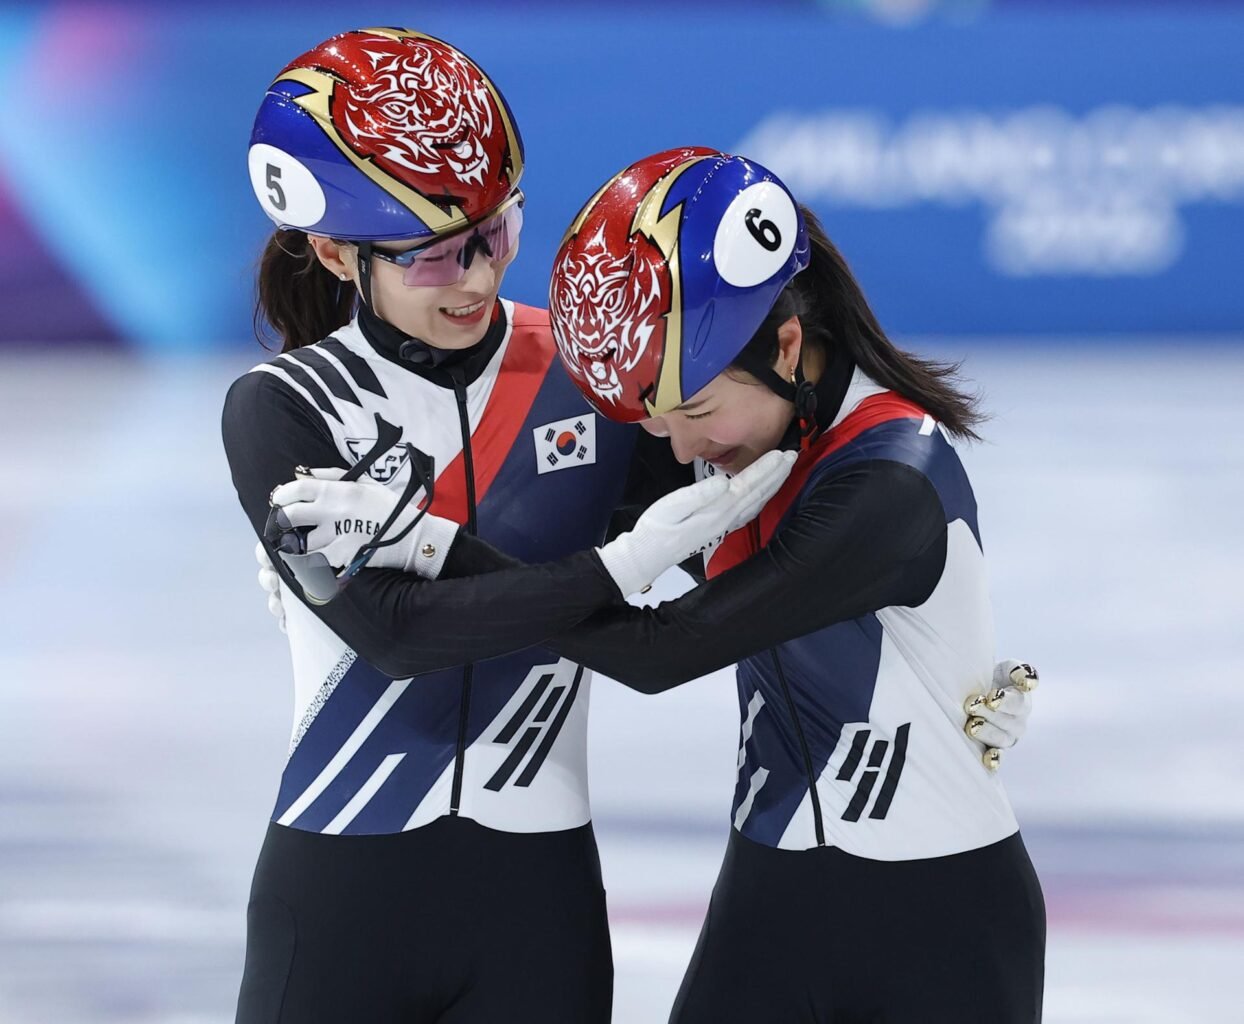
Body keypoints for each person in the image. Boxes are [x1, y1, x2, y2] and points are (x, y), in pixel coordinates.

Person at [268, 146, 1046, 1021]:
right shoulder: (746, 437)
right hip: (768, 896)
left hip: (938, 915)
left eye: (695, 412)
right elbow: (548, 545)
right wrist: (351, 567)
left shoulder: (886, 481)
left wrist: (424, 542)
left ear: (788, 343)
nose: (676, 451)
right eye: (655, 419)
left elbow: (661, 649)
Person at [225, 32, 793, 1023]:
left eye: (494, 233)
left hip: (535, 900)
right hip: (341, 888)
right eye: (433, 256)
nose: (476, 277)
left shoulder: (588, 374)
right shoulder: (282, 407)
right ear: (332, 251)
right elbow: (396, 634)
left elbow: (740, 588)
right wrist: (618, 565)